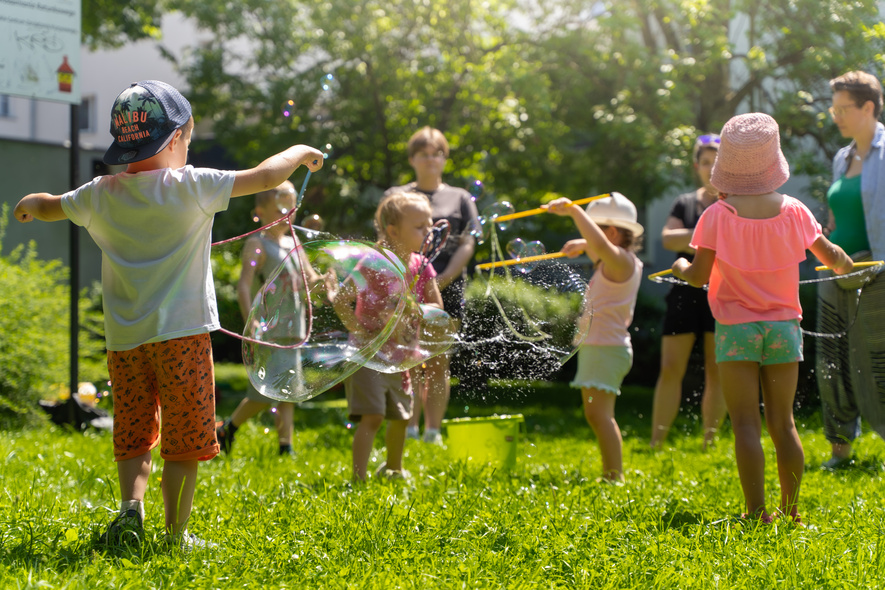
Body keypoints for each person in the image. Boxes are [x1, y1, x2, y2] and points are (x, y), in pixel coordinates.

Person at [14, 79, 323, 548]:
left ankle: (129, 511)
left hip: (125, 342)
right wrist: (300, 150)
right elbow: (265, 177)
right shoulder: (191, 185)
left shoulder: (99, 193)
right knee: (185, 440)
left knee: (135, 431)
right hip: (183, 337)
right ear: (175, 138)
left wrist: (28, 206)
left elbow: (49, 206)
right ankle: (175, 535)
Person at [672, 113, 852, 523]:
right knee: (784, 424)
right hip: (784, 328)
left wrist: (682, 266)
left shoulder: (717, 215)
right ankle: (791, 512)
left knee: (746, 426)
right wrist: (846, 266)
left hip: (736, 329)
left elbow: (698, 276)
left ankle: (756, 513)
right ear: (774, 162)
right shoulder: (795, 212)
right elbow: (834, 258)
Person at [332, 191, 444, 481]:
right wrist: (358, 332)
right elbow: (341, 298)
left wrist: (413, 307)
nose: (428, 232)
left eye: (429, 225)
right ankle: (359, 478)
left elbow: (437, 307)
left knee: (402, 417)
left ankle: (394, 469)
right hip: (368, 356)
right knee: (373, 416)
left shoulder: (422, 266)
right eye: (419, 227)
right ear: (393, 230)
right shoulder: (371, 264)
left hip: (402, 356)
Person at [385, 127, 480, 445]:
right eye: (424, 153)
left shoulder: (460, 198)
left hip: (446, 288)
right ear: (412, 159)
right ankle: (407, 426)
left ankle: (432, 431)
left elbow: (469, 242)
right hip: (404, 287)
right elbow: (385, 240)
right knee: (406, 360)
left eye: (437, 153)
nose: (431, 159)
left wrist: (441, 279)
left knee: (438, 362)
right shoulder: (397, 196)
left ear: (445, 158)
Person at [543, 192, 644, 482]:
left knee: (600, 416)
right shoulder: (618, 262)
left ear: (611, 232)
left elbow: (601, 245)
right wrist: (585, 242)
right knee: (596, 415)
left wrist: (574, 211)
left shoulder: (621, 262)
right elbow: (599, 244)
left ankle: (614, 476)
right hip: (602, 347)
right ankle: (612, 473)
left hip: (606, 347)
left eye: (593, 228)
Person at [216, 180, 318, 457]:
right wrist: (252, 323)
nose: (288, 213)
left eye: (291, 207)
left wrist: (327, 281)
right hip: (270, 329)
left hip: (294, 327)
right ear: (259, 211)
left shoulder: (293, 242)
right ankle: (228, 428)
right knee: (265, 392)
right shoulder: (257, 243)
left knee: (290, 389)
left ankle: (285, 446)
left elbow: (311, 279)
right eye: (280, 208)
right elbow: (244, 285)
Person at [817, 71, 885, 470]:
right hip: (834, 270)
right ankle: (839, 449)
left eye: (845, 108)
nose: (837, 116)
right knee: (832, 358)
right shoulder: (841, 157)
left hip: (877, 269)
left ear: (868, 108)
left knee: (878, 357)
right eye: (834, 108)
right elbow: (837, 210)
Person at [650, 134, 726, 449]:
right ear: (697, 166)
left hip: (720, 293)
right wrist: (709, 234)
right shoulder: (685, 202)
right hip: (683, 293)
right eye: (705, 162)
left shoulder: (733, 204)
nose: (711, 169)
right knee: (670, 369)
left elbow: (683, 240)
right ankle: (656, 441)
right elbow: (668, 239)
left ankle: (709, 441)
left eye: (717, 162)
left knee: (717, 370)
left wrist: (691, 238)